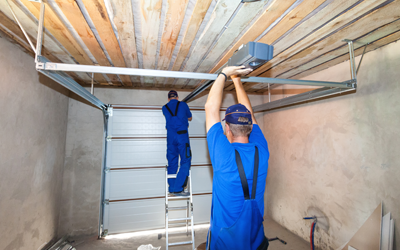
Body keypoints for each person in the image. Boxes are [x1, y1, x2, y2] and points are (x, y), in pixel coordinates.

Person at [205, 66, 270, 250]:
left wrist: (225, 72)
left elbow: (210, 108)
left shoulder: (223, 156)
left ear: (227, 129)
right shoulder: (262, 150)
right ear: (250, 127)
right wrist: (236, 80)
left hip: (226, 242)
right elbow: (250, 115)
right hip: (255, 239)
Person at [162, 90, 193, 195]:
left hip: (171, 137)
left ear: (168, 98)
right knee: (185, 160)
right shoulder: (183, 105)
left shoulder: (164, 108)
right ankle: (178, 187)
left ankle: (172, 187)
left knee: (172, 162)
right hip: (182, 136)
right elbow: (190, 117)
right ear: (177, 97)